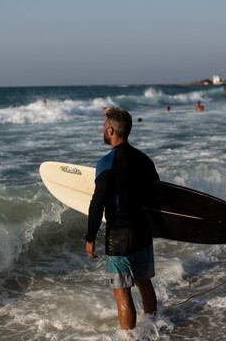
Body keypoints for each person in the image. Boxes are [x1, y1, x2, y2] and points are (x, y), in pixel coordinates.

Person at [85, 107, 159, 330]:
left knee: (122, 292)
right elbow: (157, 194)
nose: (102, 131)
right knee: (144, 283)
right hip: (143, 231)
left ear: (110, 130)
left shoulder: (106, 163)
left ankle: (130, 338)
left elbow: (97, 203)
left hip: (120, 235)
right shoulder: (145, 160)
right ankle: (155, 326)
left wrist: (90, 238)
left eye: (103, 128)